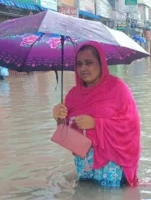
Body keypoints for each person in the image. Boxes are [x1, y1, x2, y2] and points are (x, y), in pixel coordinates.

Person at [52, 43, 141, 188]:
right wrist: (59, 119)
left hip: (111, 162)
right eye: (79, 64)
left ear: (101, 63)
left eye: (89, 63)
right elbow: (66, 136)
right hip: (83, 162)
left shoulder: (118, 89)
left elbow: (131, 125)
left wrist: (96, 123)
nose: (83, 68)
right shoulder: (73, 95)